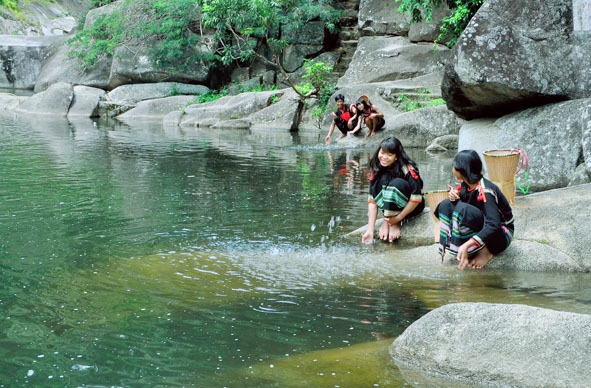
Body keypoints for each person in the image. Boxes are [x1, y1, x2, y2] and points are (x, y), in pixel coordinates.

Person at [435, 150, 515, 270]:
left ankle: (485, 251)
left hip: (501, 236)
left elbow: (494, 225)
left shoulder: (486, 191)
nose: (453, 168)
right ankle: (467, 248)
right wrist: (454, 196)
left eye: (454, 166)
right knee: (447, 204)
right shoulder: (466, 185)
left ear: (462, 170)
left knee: (462, 209)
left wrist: (467, 244)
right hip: (482, 226)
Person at [361, 136, 425, 244]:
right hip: (390, 210)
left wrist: (396, 220)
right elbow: (372, 201)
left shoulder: (407, 168)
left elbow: (416, 198)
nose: (384, 157)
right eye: (382, 153)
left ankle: (390, 223)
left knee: (396, 184)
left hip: (411, 207)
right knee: (380, 182)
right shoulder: (377, 168)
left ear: (396, 157)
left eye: (389, 155)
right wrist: (370, 230)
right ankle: (388, 221)